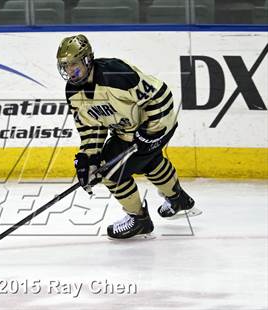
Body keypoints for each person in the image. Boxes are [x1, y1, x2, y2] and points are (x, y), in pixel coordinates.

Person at [56, 34, 202, 240]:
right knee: (147, 162)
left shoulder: (116, 74)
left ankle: (139, 219)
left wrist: (151, 133)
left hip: (157, 125)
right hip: (126, 132)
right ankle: (178, 199)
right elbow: (91, 129)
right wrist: (88, 159)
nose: (70, 71)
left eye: (74, 64)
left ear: (88, 59)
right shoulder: (72, 92)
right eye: (65, 66)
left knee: (110, 172)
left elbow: (161, 96)